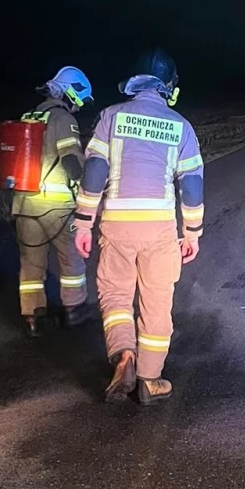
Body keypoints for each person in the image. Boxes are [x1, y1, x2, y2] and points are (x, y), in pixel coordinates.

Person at [73, 49, 204, 405]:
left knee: (115, 294)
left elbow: (95, 172)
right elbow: (191, 185)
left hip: (116, 223)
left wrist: (84, 223)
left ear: (134, 82)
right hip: (160, 229)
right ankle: (150, 379)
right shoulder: (181, 126)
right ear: (168, 86)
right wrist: (192, 232)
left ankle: (124, 355)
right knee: (157, 301)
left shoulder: (111, 118)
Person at [13, 67, 94, 336]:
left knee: (31, 263)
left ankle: (33, 317)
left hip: (25, 204)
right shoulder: (62, 118)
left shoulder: (29, 115)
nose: (78, 107)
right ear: (71, 92)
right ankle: (74, 309)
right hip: (56, 207)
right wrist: (85, 186)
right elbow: (71, 159)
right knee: (71, 260)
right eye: (79, 101)